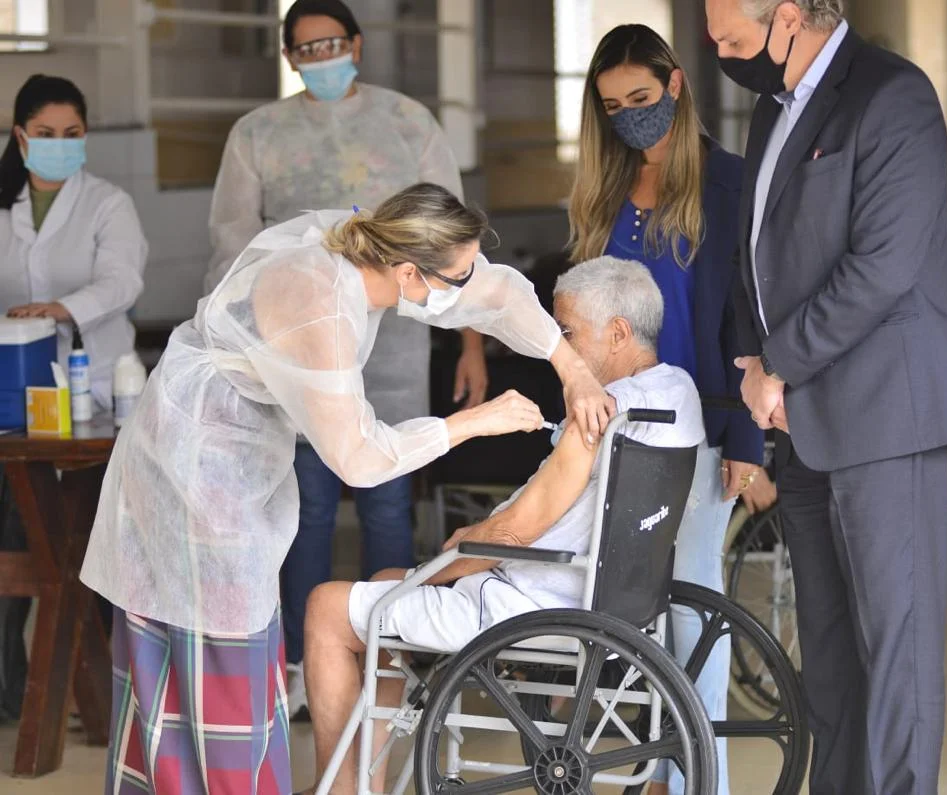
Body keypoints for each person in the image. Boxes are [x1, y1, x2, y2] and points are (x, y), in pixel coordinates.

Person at [80, 183, 613, 795]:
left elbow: (493, 294)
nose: (467, 288)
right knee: (212, 648)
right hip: (195, 463)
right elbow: (359, 458)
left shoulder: (374, 247)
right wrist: (472, 422)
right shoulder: (318, 297)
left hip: (232, 452)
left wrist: (571, 369)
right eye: (456, 277)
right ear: (411, 273)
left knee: (220, 641)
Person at [705, 0, 947, 792]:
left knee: (894, 651)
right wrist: (753, 368)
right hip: (798, 422)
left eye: (730, 36)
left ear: (788, 15)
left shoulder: (891, 95)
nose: (718, 50)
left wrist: (779, 366)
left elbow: (882, 266)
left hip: (882, 414)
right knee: (828, 658)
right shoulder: (772, 109)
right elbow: (755, 252)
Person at [302, 256, 705, 795]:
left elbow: (515, 534)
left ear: (618, 333)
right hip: (610, 600)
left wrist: (442, 564)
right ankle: (361, 785)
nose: (557, 346)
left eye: (567, 331)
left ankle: (339, 790)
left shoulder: (600, 412)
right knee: (383, 584)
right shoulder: (677, 393)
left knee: (327, 608)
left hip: (533, 601)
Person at [205, 0, 489, 719]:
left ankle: (389, 660)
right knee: (304, 511)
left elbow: (455, 246)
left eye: (332, 44)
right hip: (296, 355)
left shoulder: (408, 123)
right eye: (306, 50)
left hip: (393, 348)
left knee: (389, 504)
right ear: (289, 57)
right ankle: (306, 664)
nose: (321, 58)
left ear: (356, 46)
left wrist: (473, 342)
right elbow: (231, 253)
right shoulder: (258, 134)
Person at [569, 24, 774, 794]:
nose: (630, 116)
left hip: (702, 427)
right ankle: (654, 768)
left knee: (693, 603)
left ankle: (700, 780)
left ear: (677, 84)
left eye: (643, 99)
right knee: (629, 610)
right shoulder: (603, 189)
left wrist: (748, 438)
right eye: (614, 105)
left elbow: (750, 318)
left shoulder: (730, 184)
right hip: (615, 428)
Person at [0, 74, 148, 408]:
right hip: (12, 381)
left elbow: (122, 281)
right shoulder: (4, 203)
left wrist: (61, 309)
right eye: (45, 135)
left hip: (99, 382)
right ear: (21, 137)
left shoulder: (109, 203)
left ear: (84, 136)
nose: (58, 144)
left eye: (71, 134)